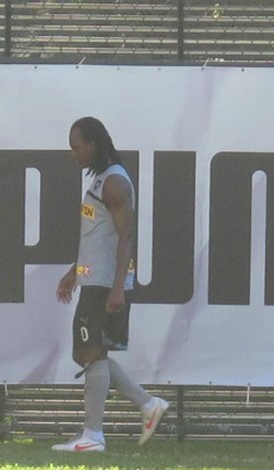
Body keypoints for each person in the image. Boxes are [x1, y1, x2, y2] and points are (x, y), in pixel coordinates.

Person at [51, 116, 168, 452]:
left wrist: (118, 287)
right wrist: (74, 271)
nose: (73, 154)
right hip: (93, 277)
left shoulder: (116, 182)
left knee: (91, 352)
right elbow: (96, 235)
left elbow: (125, 236)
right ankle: (147, 404)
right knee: (88, 352)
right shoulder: (101, 180)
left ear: (93, 144)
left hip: (105, 282)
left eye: (76, 147)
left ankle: (94, 435)